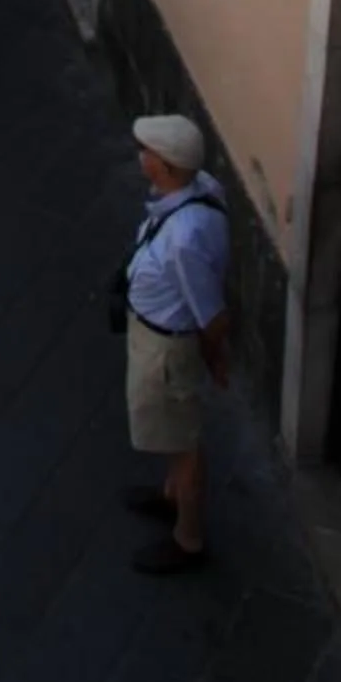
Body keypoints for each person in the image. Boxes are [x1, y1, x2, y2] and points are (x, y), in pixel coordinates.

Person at [119, 112, 232, 574]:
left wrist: (213, 359)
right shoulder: (203, 189)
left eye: (147, 151)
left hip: (165, 350)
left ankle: (188, 538)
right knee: (171, 433)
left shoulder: (183, 239)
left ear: (163, 168)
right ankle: (170, 494)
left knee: (184, 443)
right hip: (153, 338)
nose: (141, 155)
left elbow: (211, 314)